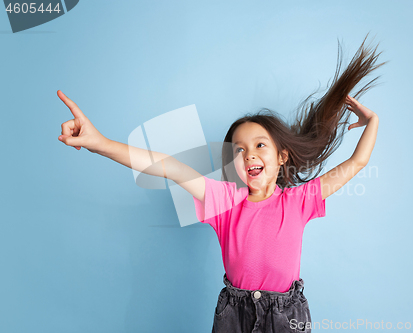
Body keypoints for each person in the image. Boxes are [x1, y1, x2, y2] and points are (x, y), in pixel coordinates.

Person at [57, 33, 387, 333]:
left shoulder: (299, 200)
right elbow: (169, 167)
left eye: (260, 145)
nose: (249, 155)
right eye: (239, 150)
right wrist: (99, 142)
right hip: (234, 313)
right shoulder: (224, 201)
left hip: (286, 314)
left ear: (282, 157)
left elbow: (356, 163)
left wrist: (372, 121)